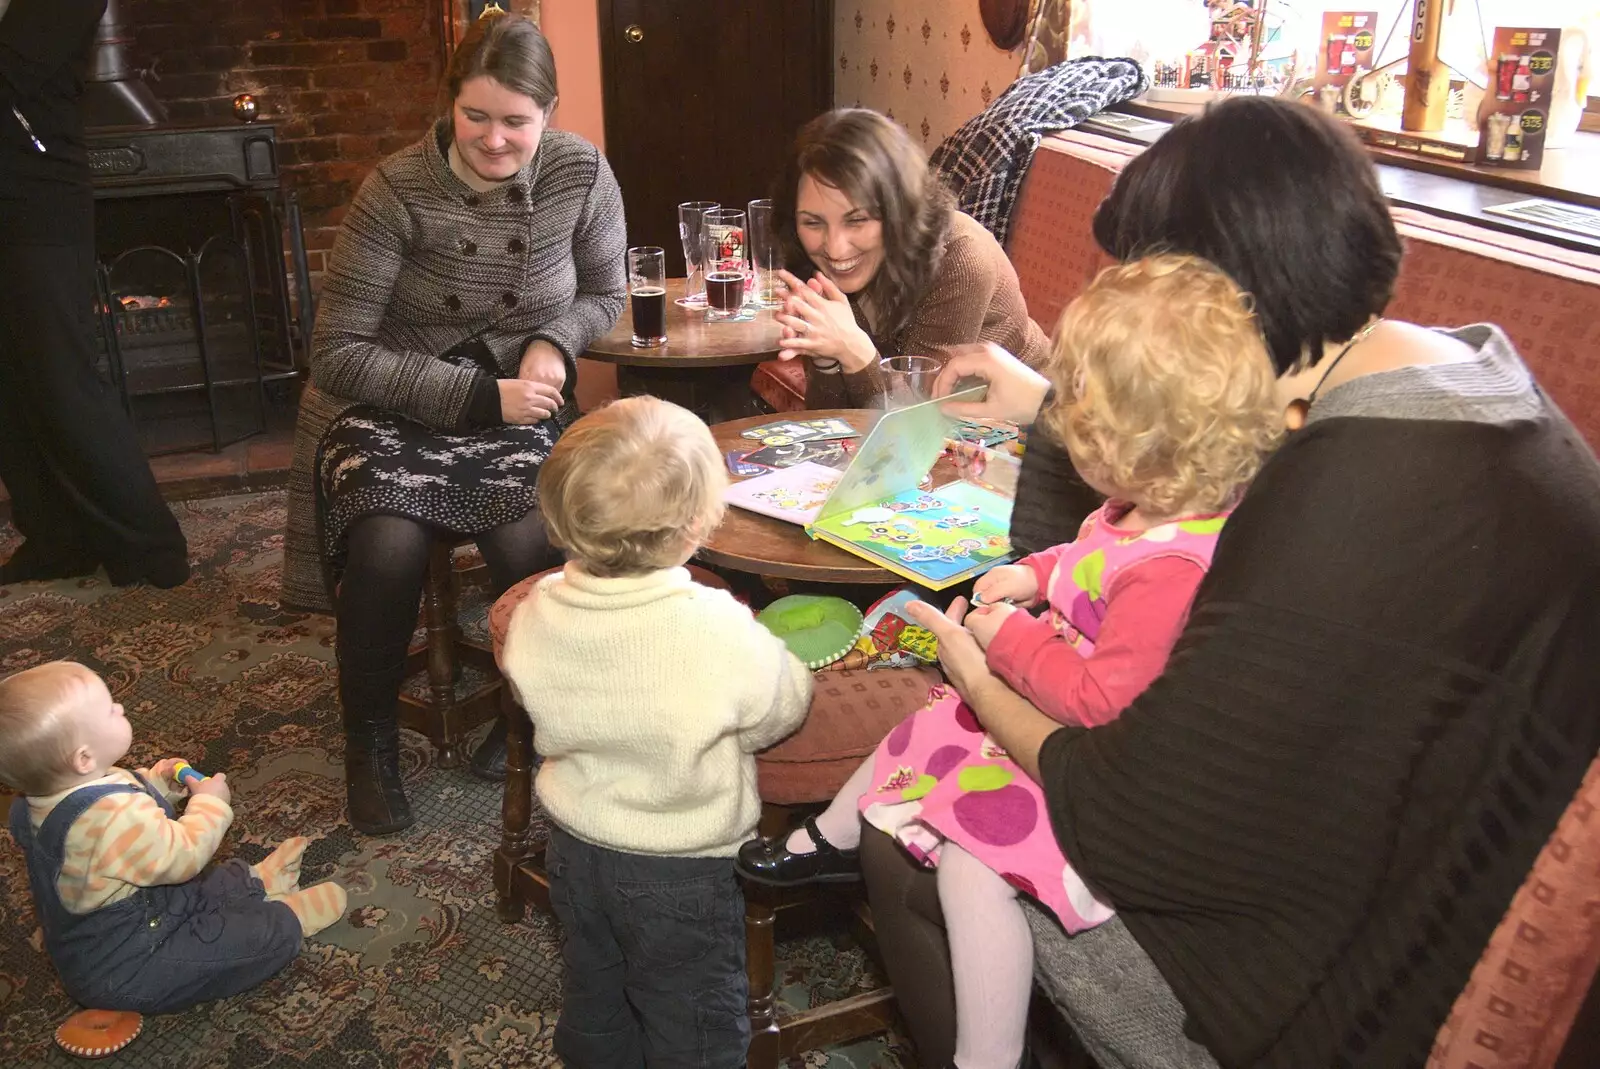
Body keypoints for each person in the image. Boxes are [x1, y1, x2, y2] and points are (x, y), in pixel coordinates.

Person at [863, 96, 1600, 1069]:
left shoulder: (1343, 494)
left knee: (916, 824)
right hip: (1399, 870)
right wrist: (1055, 409)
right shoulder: (1467, 374)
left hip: (1326, 990)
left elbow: (1125, 819)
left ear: (1221, 304)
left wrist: (977, 671)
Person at [737, 256, 1282, 1069]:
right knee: (922, 723)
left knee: (971, 872)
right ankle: (832, 837)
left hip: (1085, 762)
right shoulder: (1149, 503)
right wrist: (1035, 573)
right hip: (1043, 706)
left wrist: (1008, 641)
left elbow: (1100, 700)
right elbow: (1088, 552)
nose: (1072, 444)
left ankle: (983, 1057)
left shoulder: (1176, 568)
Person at [280, 11, 626, 833]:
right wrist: (477, 398)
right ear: (448, 106)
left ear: (548, 112)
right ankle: (368, 739)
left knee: (525, 539)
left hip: (518, 401)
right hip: (389, 404)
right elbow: (336, 353)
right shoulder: (395, 190)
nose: (495, 140)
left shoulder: (582, 172)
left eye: (517, 121)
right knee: (389, 542)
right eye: (477, 117)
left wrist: (552, 340)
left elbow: (605, 292)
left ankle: (533, 715)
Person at [499, 396, 812, 1069]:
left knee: (595, 995)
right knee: (693, 1018)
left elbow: (532, 692)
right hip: (683, 871)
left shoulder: (537, 609)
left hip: (575, 850)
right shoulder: (715, 624)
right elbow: (778, 708)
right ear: (697, 524)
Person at [0, 661, 347, 1013]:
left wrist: (158, 783)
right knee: (223, 945)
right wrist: (209, 804)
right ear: (84, 757)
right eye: (108, 710)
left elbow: (121, 794)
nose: (119, 707)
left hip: (135, 917)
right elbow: (184, 855)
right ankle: (286, 921)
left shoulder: (41, 797)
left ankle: (256, 882)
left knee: (205, 886)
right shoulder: (111, 820)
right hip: (131, 966)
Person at [0, 0, 189, 588]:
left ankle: (151, 547)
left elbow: (17, 67)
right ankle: (57, 539)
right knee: (7, 381)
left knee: (62, 377)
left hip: (36, 194)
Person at [767, 107, 1051, 409]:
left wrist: (854, 350)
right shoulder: (818, 264)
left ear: (898, 210)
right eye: (813, 223)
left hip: (1033, 436)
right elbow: (833, 423)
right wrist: (827, 362)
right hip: (944, 440)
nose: (835, 249)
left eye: (858, 220)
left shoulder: (961, 257)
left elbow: (913, 429)